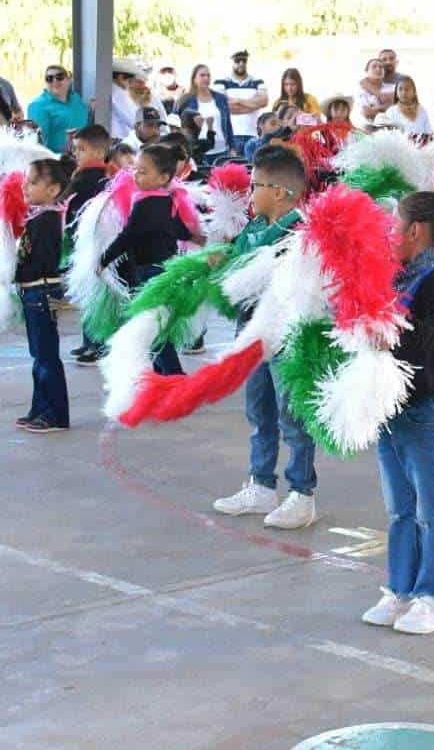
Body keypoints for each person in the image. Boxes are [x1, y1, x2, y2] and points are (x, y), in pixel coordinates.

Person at [361, 188, 434, 634]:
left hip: (427, 409)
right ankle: (402, 589)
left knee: (432, 510)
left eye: (394, 224)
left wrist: (395, 336)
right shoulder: (399, 276)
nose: (388, 232)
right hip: (391, 409)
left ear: (416, 231)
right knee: (400, 509)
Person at [211, 147, 320, 529]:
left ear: (279, 191)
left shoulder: (300, 231)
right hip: (250, 331)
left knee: (292, 414)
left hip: (284, 334)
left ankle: (302, 493)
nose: (249, 193)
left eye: (255, 186)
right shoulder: (253, 227)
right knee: (259, 411)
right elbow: (239, 267)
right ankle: (261, 484)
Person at [97, 144, 202, 376]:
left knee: (153, 326)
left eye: (143, 171)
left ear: (164, 177)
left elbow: (128, 236)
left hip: (151, 272)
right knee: (155, 323)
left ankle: (173, 375)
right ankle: (160, 376)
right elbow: (177, 229)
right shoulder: (165, 199)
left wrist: (104, 259)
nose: (136, 174)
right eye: (135, 169)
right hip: (164, 269)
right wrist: (195, 237)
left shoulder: (146, 204)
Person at [15, 158, 71, 433]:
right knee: (39, 354)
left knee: (47, 355)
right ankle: (40, 408)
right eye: (26, 180)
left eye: (33, 182)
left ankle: (55, 414)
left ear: (53, 190)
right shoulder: (37, 216)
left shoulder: (48, 219)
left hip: (43, 291)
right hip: (33, 291)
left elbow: (43, 258)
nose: (26, 186)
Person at [65, 125, 114, 366]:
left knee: (96, 294)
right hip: (85, 243)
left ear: (98, 151)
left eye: (81, 149)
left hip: (95, 243)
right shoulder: (87, 176)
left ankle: (98, 343)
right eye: (76, 149)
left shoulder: (94, 178)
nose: (76, 154)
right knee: (89, 292)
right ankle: (90, 341)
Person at [175, 65, 234, 165]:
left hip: (222, 150)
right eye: (202, 75)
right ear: (194, 79)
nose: (206, 78)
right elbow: (176, 124)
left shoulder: (220, 98)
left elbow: (228, 124)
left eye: (208, 75)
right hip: (197, 150)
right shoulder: (185, 100)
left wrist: (232, 147)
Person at [26, 64, 89, 152]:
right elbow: (37, 142)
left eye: (59, 77)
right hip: (58, 162)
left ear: (68, 80)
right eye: (49, 79)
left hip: (83, 158)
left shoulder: (76, 98)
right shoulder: (38, 106)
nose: (54, 81)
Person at [216, 51, 268, 154]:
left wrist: (237, 101)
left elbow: (263, 101)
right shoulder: (220, 81)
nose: (241, 63)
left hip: (253, 135)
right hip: (230, 135)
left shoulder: (258, 81)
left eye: (244, 60)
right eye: (237, 60)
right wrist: (253, 105)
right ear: (232, 62)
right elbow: (222, 105)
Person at [380, 77, 433, 143]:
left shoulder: (422, 111)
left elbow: (429, 134)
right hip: (399, 150)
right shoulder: (391, 112)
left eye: (407, 89)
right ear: (396, 93)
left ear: (414, 92)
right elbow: (386, 136)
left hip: (421, 150)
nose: (404, 92)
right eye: (400, 89)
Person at [108, 58, 146, 139]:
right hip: (119, 138)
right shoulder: (118, 93)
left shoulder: (113, 90)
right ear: (121, 78)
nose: (131, 84)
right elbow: (133, 120)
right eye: (129, 80)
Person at [357, 59, 392, 126]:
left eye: (381, 67)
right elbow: (366, 112)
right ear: (366, 71)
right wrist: (386, 106)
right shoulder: (360, 90)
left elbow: (399, 108)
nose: (378, 69)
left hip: (393, 128)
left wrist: (374, 108)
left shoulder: (392, 87)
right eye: (374, 66)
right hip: (369, 128)